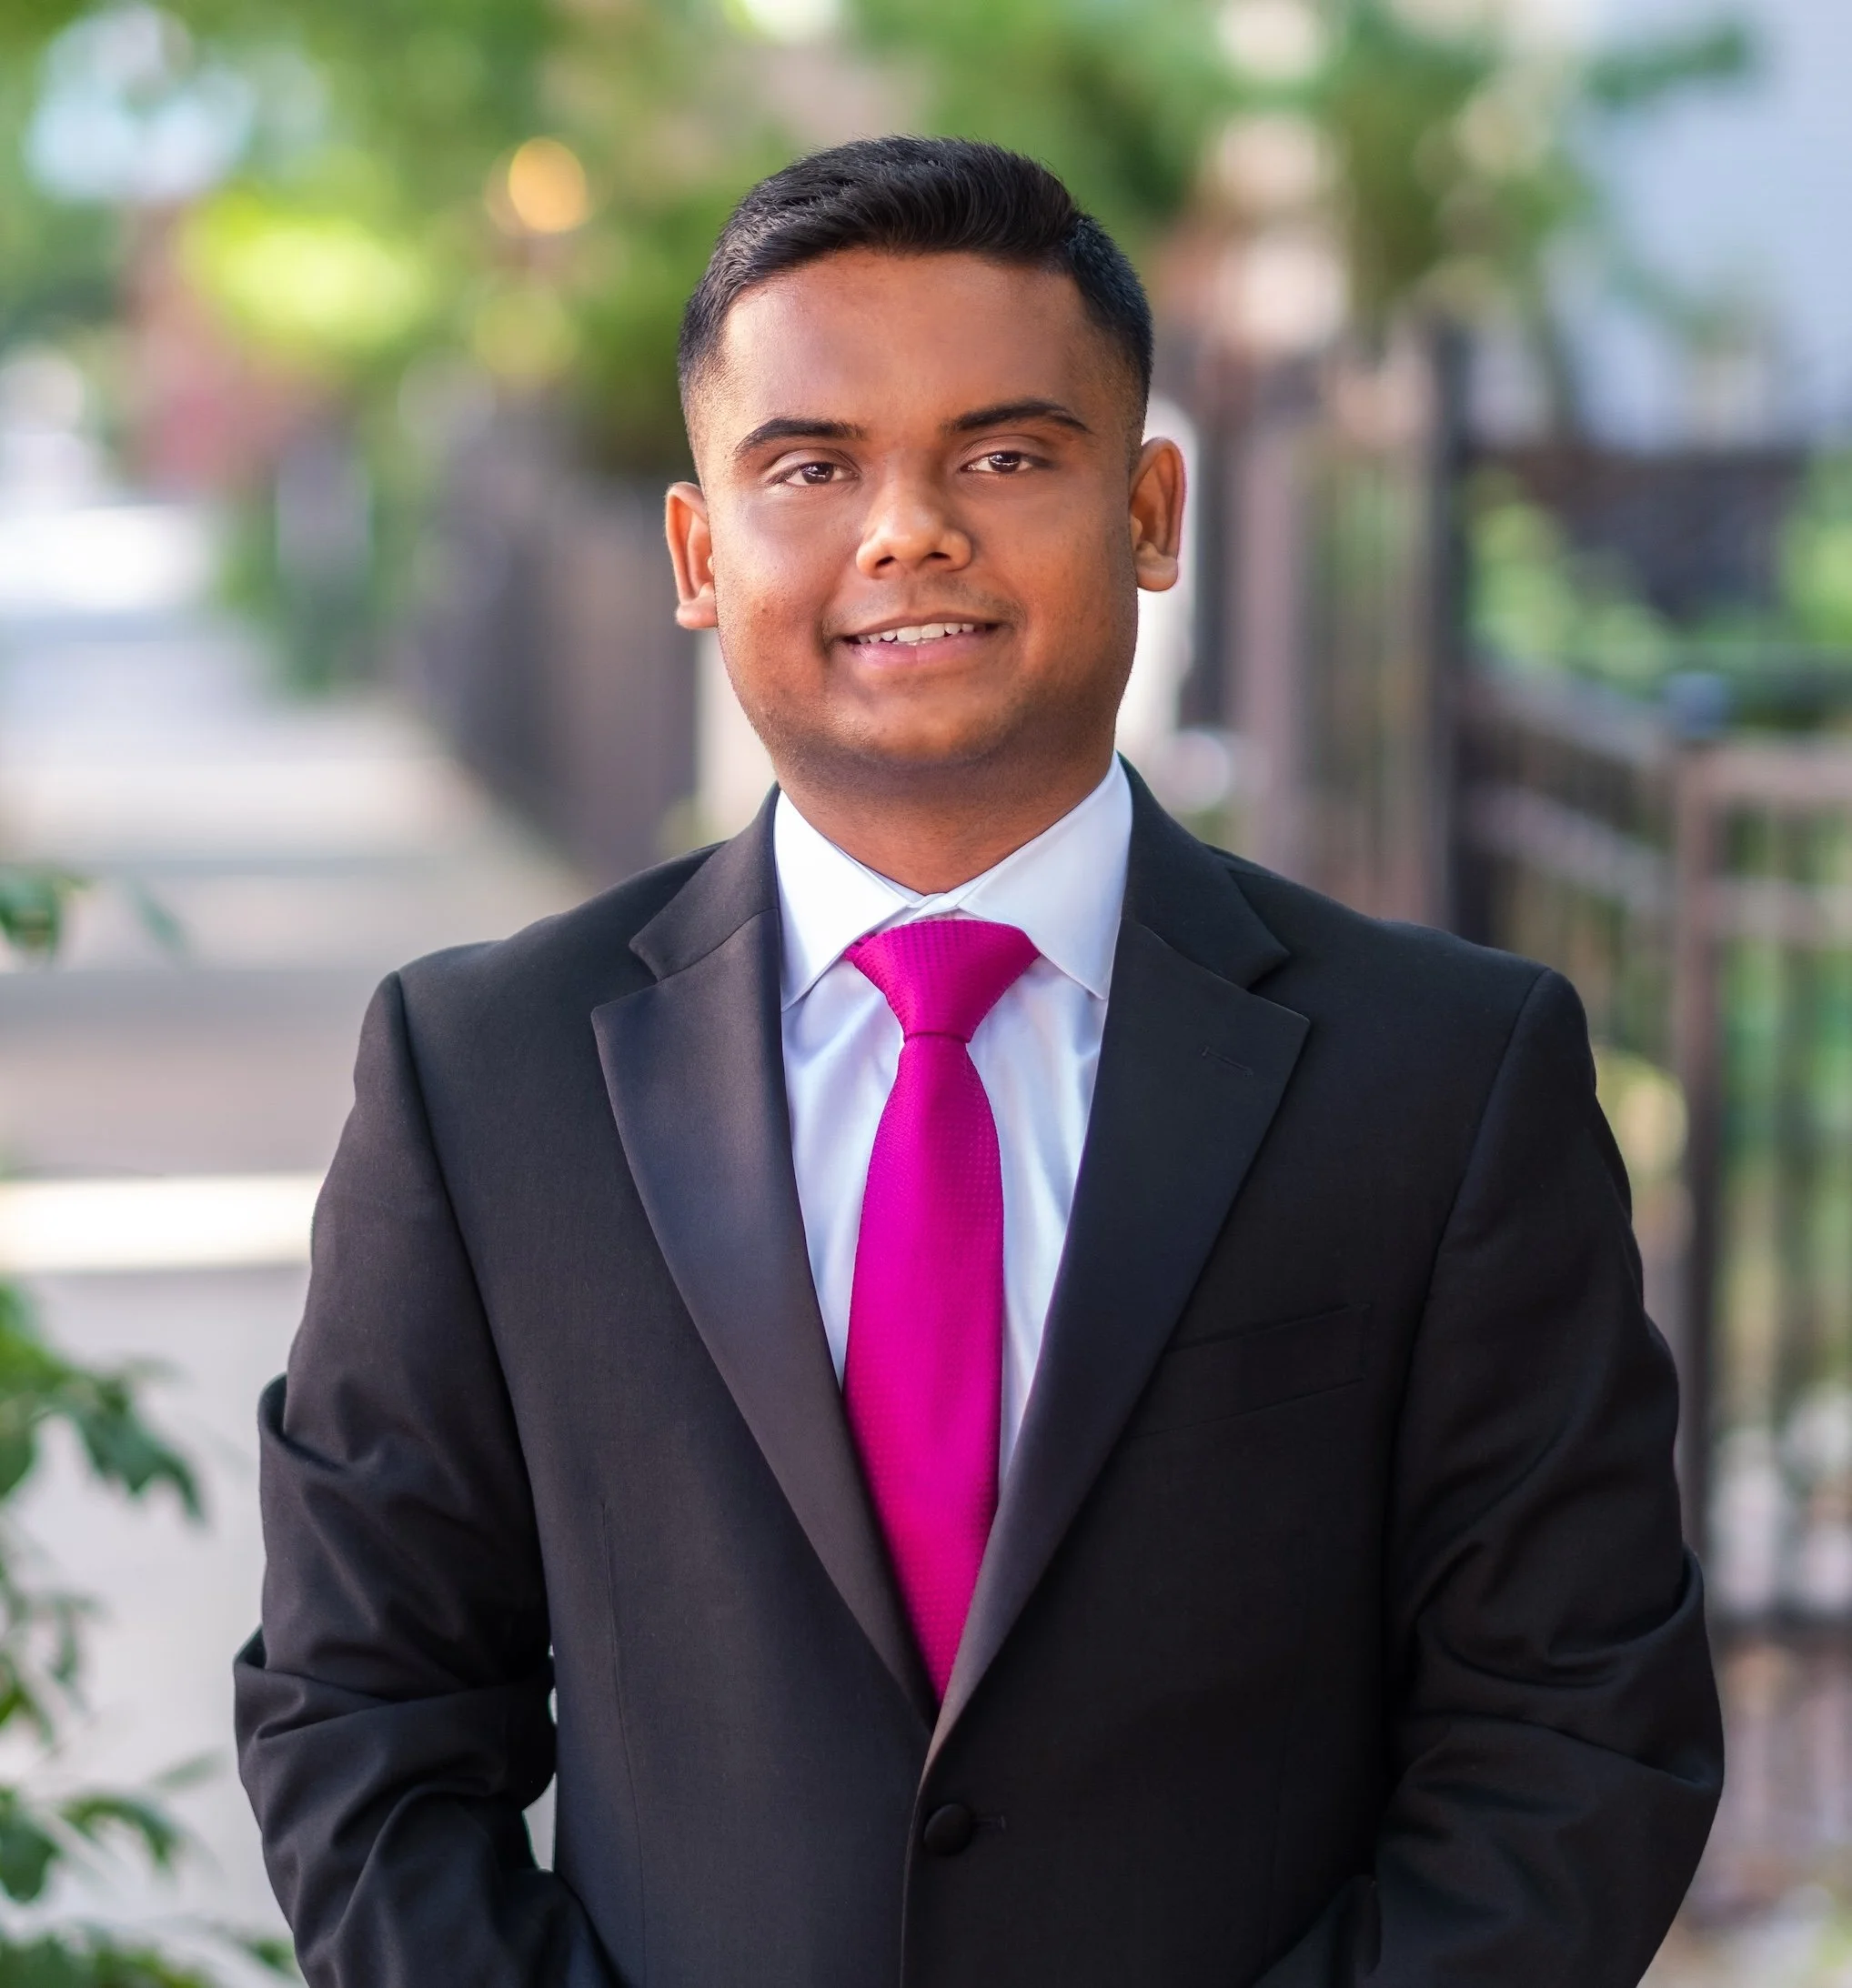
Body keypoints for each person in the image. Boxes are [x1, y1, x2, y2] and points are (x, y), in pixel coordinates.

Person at [235, 136, 1723, 1988]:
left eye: (1006, 455)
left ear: (1153, 510)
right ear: (700, 552)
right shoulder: (480, 1079)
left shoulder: (1445, 1075)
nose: (906, 529)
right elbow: (361, 1718)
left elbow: (1569, 1734)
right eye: (810, 465)